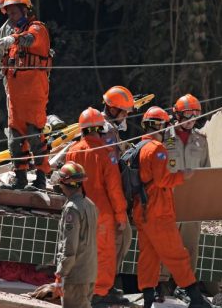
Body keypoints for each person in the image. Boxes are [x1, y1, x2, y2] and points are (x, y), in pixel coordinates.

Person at [135, 106, 212, 308]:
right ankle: (195, 298)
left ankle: (148, 298)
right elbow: (162, 180)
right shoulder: (159, 147)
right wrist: (182, 176)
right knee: (177, 254)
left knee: (148, 256)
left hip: (143, 210)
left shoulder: (139, 147)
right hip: (159, 210)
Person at [65, 107, 129, 307]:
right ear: (100, 129)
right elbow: (114, 189)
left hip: (77, 211)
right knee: (103, 254)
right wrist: (121, 215)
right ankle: (99, 294)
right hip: (101, 213)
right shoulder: (106, 153)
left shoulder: (72, 152)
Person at [0, 0, 52, 191]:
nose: (11, 18)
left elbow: (30, 39)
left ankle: (41, 179)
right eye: (9, 14)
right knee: (15, 138)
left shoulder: (38, 29)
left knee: (35, 135)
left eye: (14, 13)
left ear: (25, 10)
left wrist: (13, 40)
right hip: (16, 97)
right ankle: (20, 179)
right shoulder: (11, 37)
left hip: (34, 93)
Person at [157, 94, 210, 301]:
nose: (192, 118)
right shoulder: (164, 136)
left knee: (190, 246)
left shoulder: (201, 141)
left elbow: (206, 171)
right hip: (167, 200)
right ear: (177, 114)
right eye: (188, 113)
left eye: (196, 115)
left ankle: (186, 287)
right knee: (166, 243)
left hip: (192, 203)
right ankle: (161, 284)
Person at [100, 85, 134, 297]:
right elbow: (111, 172)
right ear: (115, 110)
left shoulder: (101, 126)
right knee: (119, 241)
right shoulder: (108, 132)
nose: (126, 117)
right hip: (107, 197)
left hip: (101, 195)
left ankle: (106, 284)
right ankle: (106, 286)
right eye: (125, 112)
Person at [52, 161, 98, 308]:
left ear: (64, 184)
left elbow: (69, 246)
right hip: (89, 273)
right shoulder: (89, 204)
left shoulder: (72, 209)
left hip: (76, 276)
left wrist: (60, 273)